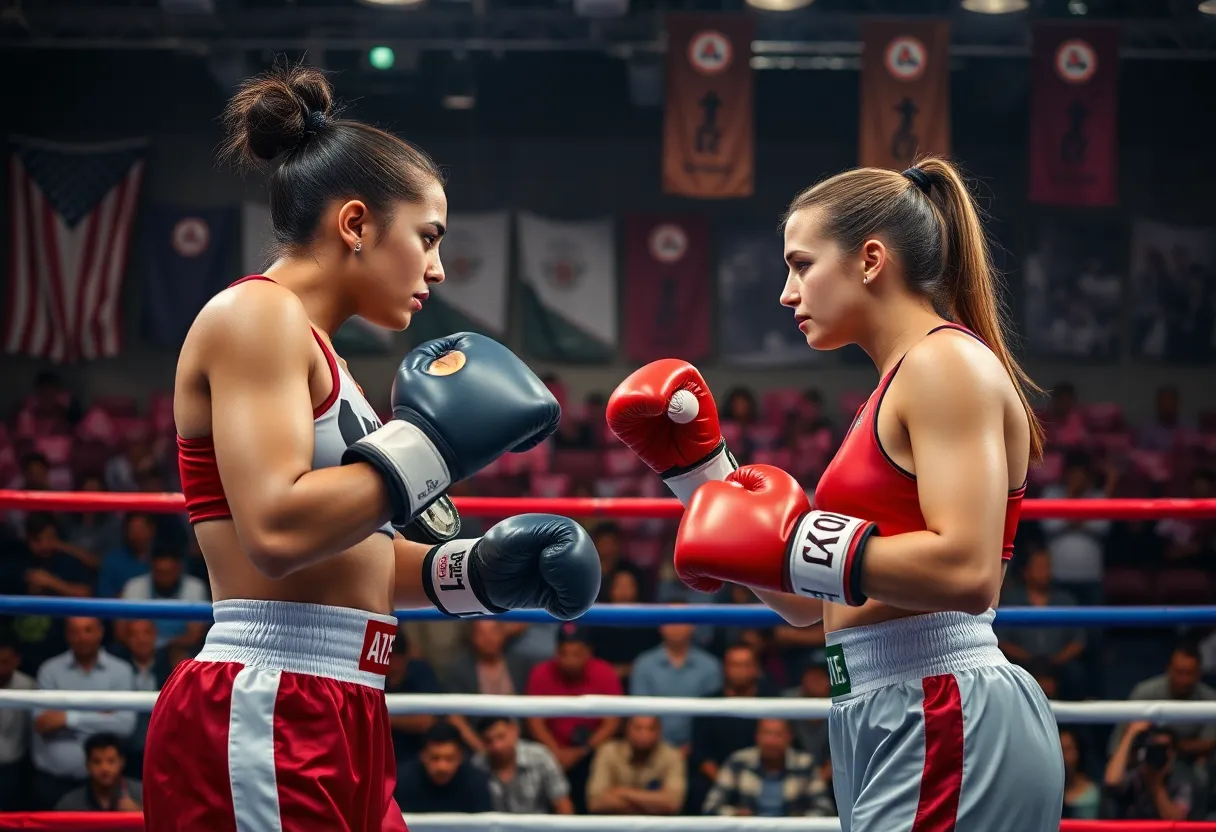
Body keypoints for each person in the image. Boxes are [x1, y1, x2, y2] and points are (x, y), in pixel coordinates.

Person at [142, 63, 601, 832]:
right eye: (428, 237)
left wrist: (475, 573)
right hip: (270, 700)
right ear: (355, 224)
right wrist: (433, 447)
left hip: (342, 701)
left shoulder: (329, 361)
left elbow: (355, 557)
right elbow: (277, 531)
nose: (438, 269)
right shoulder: (255, 315)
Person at [608, 158, 1063, 831]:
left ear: (870, 260)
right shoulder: (894, 385)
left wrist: (793, 542)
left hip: (940, 701)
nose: (786, 293)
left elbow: (968, 573)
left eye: (801, 264)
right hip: (886, 702)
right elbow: (809, 603)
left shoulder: (944, 364)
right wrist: (700, 475)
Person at [701, 718, 830, 818]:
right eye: (766, 734)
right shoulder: (739, 761)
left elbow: (825, 810)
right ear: (756, 736)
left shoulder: (805, 764)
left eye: (778, 735)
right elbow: (711, 807)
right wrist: (736, 815)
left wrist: (800, 820)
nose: (771, 741)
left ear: (789, 737)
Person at [585, 715, 685, 816]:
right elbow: (595, 802)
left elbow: (673, 803)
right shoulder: (609, 752)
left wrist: (622, 792)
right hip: (615, 823)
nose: (644, 735)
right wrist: (652, 804)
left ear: (660, 731)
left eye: (651, 729)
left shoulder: (672, 755)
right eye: (638, 728)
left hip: (656, 824)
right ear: (627, 729)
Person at [473, 716, 573, 815]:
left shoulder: (540, 757)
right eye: (488, 741)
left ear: (514, 730)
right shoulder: (477, 765)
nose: (497, 746)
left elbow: (562, 804)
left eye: (501, 737)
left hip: (537, 824)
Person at [1104, 723, 1202, 821]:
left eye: (1163, 748)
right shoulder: (1138, 773)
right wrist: (1131, 733)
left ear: (1173, 752)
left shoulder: (1181, 779)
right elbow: (1112, 781)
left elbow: (1177, 819)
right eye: (1155, 747)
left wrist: (1156, 786)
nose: (1158, 752)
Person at [393, 722, 493, 813]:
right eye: (435, 758)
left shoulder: (477, 783)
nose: (442, 767)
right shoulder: (401, 781)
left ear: (460, 757)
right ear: (423, 756)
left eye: (449, 759)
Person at [55, 733, 142, 813]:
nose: (104, 768)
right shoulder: (70, 805)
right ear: (87, 764)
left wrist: (139, 815)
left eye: (111, 761)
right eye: (96, 762)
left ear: (122, 762)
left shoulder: (142, 795)